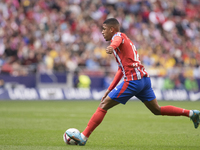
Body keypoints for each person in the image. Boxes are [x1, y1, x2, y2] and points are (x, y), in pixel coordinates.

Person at [66, 18, 200, 146]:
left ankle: (83, 137)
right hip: (144, 80)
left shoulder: (118, 37)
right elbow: (120, 69)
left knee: (103, 105)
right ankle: (191, 113)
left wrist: (112, 47)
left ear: (112, 29)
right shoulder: (125, 41)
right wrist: (109, 89)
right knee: (157, 110)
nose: (102, 31)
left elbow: (117, 39)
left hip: (133, 81)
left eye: (104, 29)